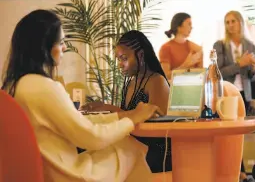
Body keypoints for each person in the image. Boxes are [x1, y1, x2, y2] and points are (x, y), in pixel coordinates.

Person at [1, 9, 163, 182]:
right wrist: (132, 120)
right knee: (130, 147)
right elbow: (91, 137)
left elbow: (78, 123)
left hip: (47, 172)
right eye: (61, 42)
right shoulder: (43, 87)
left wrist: (123, 116)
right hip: (67, 175)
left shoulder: (16, 86)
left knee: (123, 147)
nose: (64, 48)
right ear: (44, 47)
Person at [82, 30, 172, 175]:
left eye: (124, 58)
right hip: (133, 146)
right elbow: (132, 116)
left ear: (141, 55)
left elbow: (157, 127)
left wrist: (110, 109)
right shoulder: (131, 83)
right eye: (118, 59)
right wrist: (106, 109)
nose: (120, 65)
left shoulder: (156, 81)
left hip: (155, 152)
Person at [213, 10, 255, 182]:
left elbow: (252, 77)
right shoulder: (220, 46)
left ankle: (239, 170)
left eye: (233, 21)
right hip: (227, 93)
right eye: (227, 22)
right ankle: (238, 171)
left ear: (240, 22)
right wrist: (240, 63)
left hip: (244, 95)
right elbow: (219, 72)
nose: (230, 25)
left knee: (239, 134)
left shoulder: (250, 46)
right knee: (227, 134)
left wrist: (252, 68)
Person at [159, 12, 203, 80]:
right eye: (189, 24)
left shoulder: (195, 47)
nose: (191, 27)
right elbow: (165, 76)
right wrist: (186, 65)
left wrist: (201, 54)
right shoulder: (166, 48)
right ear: (178, 26)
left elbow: (201, 76)